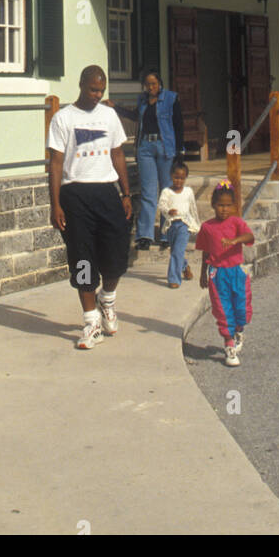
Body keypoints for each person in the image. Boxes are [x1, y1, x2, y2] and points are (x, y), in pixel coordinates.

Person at [47, 65, 132, 350]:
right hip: (75, 195)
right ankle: (90, 321)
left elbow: (118, 153)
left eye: (101, 90)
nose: (97, 95)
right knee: (82, 259)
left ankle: (107, 299)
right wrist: (55, 203)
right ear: (82, 85)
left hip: (107, 192)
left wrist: (126, 193)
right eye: (93, 89)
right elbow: (56, 163)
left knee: (116, 256)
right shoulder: (63, 118)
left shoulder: (109, 116)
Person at [196, 181, 254, 366]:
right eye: (221, 205)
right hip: (217, 274)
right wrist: (203, 273)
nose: (224, 209)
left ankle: (238, 330)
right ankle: (228, 345)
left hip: (236, 272)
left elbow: (250, 237)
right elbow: (206, 250)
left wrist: (235, 240)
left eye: (228, 205)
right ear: (213, 205)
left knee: (241, 307)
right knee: (223, 309)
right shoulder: (207, 227)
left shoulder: (237, 222)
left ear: (234, 206)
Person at [131, 68, 185, 252]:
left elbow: (178, 124)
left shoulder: (171, 98)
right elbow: (135, 117)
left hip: (165, 147)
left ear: (160, 84)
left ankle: (165, 234)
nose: (151, 87)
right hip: (145, 146)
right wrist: (115, 108)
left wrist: (180, 150)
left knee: (166, 191)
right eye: (148, 84)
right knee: (148, 192)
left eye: (154, 84)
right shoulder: (142, 100)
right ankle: (145, 236)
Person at [157, 161, 200, 288]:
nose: (178, 181)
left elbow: (193, 207)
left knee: (177, 252)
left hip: (184, 225)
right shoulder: (166, 191)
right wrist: (168, 211)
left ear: (185, 178)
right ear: (171, 176)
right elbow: (161, 205)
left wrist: (196, 223)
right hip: (171, 225)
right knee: (175, 251)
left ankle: (174, 279)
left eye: (182, 178)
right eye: (176, 177)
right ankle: (185, 266)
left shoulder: (188, 191)